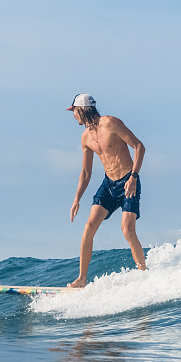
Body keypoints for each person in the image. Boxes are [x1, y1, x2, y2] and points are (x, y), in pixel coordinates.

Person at [66, 93, 146, 288]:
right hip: (108, 185)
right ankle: (82, 279)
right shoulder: (85, 137)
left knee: (127, 230)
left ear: (82, 110)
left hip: (128, 181)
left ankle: (144, 274)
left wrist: (134, 177)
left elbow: (139, 147)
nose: (72, 115)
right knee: (89, 226)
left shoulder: (111, 123)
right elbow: (85, 172)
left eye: (73, 111)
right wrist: (77, 198)